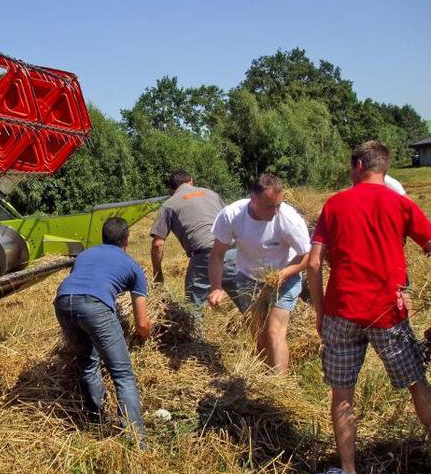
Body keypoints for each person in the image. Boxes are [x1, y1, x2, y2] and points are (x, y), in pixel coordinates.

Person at [307, 140, 431, 474]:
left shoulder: (334, 204)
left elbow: (314, 264)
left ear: (359, 164)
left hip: (342, 310)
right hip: (388, 311)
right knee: (417, 384)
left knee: (342, 393)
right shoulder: (401, 203)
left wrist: (320, 312)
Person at [54, 217, 151, 441]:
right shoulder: (133, 266)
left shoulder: (85, 255)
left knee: (88, 362)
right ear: (126, 241)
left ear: (103, 237)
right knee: (123, 374)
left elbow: (79, 285)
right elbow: (142, 323)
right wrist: (145, 336)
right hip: (94, 306)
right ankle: (135, 439)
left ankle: (96, 422)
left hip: (62, 302)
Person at [207, 174, 311, 375]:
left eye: (279, 204)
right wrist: (216, 287)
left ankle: (279, 386)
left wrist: (284, 273)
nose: (276, 210)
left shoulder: (288, 219)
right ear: (253, 200)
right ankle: (265, 377)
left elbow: (306, 256)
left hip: (285, 276)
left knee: (274, 330)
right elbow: (217, 255)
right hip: (248, 277)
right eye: (271, 206)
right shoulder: (231, 215)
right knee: (258, 332)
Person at [149, 169, 238, 310]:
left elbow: (158, 244)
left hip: (204, 257)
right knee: (250, 305)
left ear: (171, 189)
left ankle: (193, 331)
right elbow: (231, 221)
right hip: (232, 251)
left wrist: (157, 275)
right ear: (191, 181)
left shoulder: (169, 204)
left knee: (192, 311)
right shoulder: (212, 194)